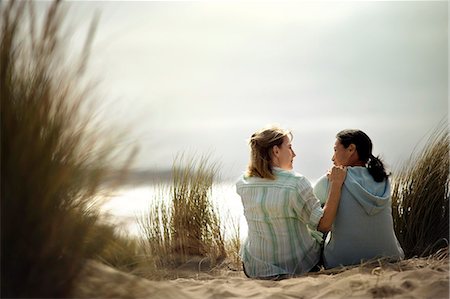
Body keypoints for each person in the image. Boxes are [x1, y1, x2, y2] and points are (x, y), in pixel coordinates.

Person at [236, 125, 347, 279]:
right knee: (320, 216)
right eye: (289, 147)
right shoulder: (296, 183)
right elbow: (324, 225)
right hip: (296, 266)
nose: (294, 154)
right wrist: (336, 184)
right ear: (276, 151)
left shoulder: (243, 183)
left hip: (255, 268)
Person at [313, 129, 404, 269]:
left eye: (335, 150)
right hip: (390, 256)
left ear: (351, 149)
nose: (332, 158)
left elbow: (312, 219)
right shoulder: (382, 179)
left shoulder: (330, 180)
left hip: (341, 261)